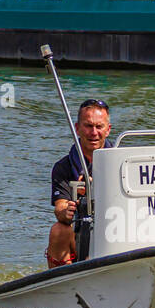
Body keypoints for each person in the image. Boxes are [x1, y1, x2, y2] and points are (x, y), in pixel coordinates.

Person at [47, 99, 112, 268]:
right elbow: (59, 209)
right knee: (58, 230)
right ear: (77, 128)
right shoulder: (63, 167)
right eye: (88, 126)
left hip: (115, 231)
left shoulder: (124, 161)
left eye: (99, 126)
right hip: (80, 234)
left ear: (108, 130)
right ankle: (61, 284)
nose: (94, 132)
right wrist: (67, 210)